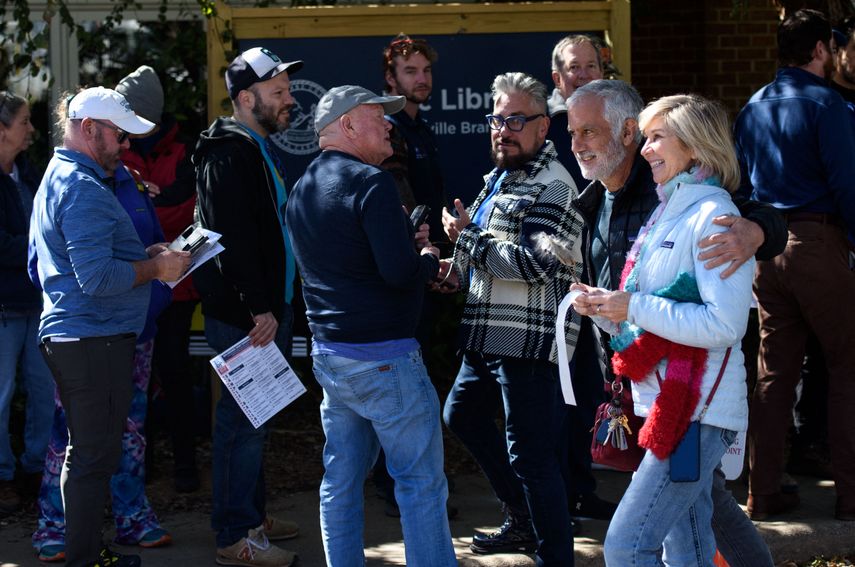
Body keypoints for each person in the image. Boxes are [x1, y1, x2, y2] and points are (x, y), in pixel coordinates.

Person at [567, 79, 781, 567]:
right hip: (669, 407)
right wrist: (604, 307)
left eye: (656, 137)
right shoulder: (671, 209)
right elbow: (645, 311)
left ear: (694, 144)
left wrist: (631, 307)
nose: (644, 150)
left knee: (627, 545)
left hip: (694, 416)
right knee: (691, 542)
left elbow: (724, 326)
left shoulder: (712, 214)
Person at [285, 85, 456, 566]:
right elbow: (399, 273)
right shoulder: (372, 184)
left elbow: (349, 264)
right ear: (347, 125)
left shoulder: (302, 187)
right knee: (420, 484)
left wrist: (405, 243)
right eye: (378, 117)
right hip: (385, 360)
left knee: (339, 483)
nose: (388, 125)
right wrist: (425, 256)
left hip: (333, 358)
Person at [30, 86, 190, 567]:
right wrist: (158, 270)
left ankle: (85, 554)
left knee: (88, 455)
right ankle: (84, 559)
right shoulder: (81, 186)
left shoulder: (66, 175)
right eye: (119, 134)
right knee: (92, 459)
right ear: (88, 129)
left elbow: (86, 263)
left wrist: (143, 256)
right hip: (92, 338)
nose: (125, 145)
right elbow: (98, 279)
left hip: (86, 336)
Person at [440, 72, 583, 565]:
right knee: (460, 415)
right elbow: (482, 258)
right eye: (497, 119)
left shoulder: (556, 187)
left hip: (531, 342)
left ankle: (554, 555)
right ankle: (521, 517)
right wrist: (451, 271)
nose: (504, 129)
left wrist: (467, 240)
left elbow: (536, 264)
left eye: (516, 120)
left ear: (543, 127)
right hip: (488, 335)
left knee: (533, 457)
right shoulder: (499, 179)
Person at [734, 8, 855, 522]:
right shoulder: (829, 105)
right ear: (821, 50)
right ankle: (851, 497)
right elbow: (849, 183)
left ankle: (762, 494)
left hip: (766, 249)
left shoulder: (753, 105)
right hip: (818, 240)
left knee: (772, 374)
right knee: (848, 367)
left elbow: (739, 184)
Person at [193, 46, 302, 566]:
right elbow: (229, 237)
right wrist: (258, 306)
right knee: (242, 425)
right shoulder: (228, 152)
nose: (288, 101)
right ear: (244, 98)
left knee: (256, 419)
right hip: (248, 317)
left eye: (286, 91)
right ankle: (235, 536)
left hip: (264, 312)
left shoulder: (252, 146)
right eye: (277, 93)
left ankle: (252, 519)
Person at [116, 65, 202, 493]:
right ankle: (142, 466)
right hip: (130, 284)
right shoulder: (115, 148)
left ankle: (185, 466)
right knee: (137, 380)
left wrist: (145, 204)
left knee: (174, 373)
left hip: (178, 287)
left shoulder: (185, 149)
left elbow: (182, 210)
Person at [0, 91, 53, 515]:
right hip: (4, 308)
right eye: (23, 122)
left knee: (43, 390)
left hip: (37, 304)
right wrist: (42, 247)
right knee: (0, 397)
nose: (31, 129)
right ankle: (2, 475)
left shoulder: (29, 172)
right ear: (2, 130)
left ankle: (37, 469)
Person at [547, 34, 604, 190]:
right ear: (557, 79)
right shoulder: (541, 123)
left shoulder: (619, 116)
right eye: (574, 67)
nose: (584, 75)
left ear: (601, 73)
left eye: (591, 66)